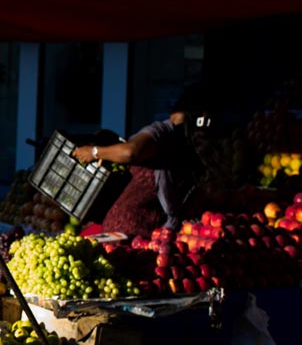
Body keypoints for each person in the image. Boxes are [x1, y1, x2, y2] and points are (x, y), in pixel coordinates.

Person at [72, 82, 220, 236]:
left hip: (124, 229)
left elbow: (130, 152)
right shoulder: (193, 147)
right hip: (154, 234)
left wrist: (95, 152)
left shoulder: (162, 133)